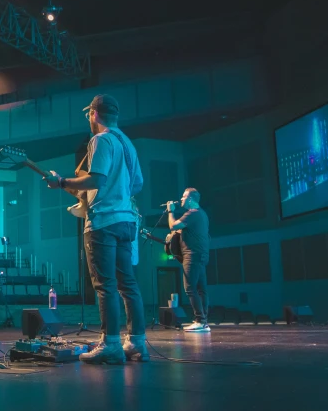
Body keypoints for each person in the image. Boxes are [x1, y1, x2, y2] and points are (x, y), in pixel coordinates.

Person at [44, 94, 148, 364]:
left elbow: (97, 179)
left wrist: (62, 181)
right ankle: (137, 343)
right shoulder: (127, 142)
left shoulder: (100, 140)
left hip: (104, 223)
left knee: (105, 285)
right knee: (129, 284)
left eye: (88, 115)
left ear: (93, 114)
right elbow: (137, 184)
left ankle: (110, 344)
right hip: (126, 221)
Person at [167, 188, 210, 332]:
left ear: (190, 199)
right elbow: (185, 231)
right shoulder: (201, 214)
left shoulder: (192, 213)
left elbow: (173, 225)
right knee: (201, 289)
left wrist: (170, 211)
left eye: (184, 197)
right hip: (201, 255)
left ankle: (200, 320)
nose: (181, 199)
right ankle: (203, 321)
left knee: (190, 288)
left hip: (192, 255)